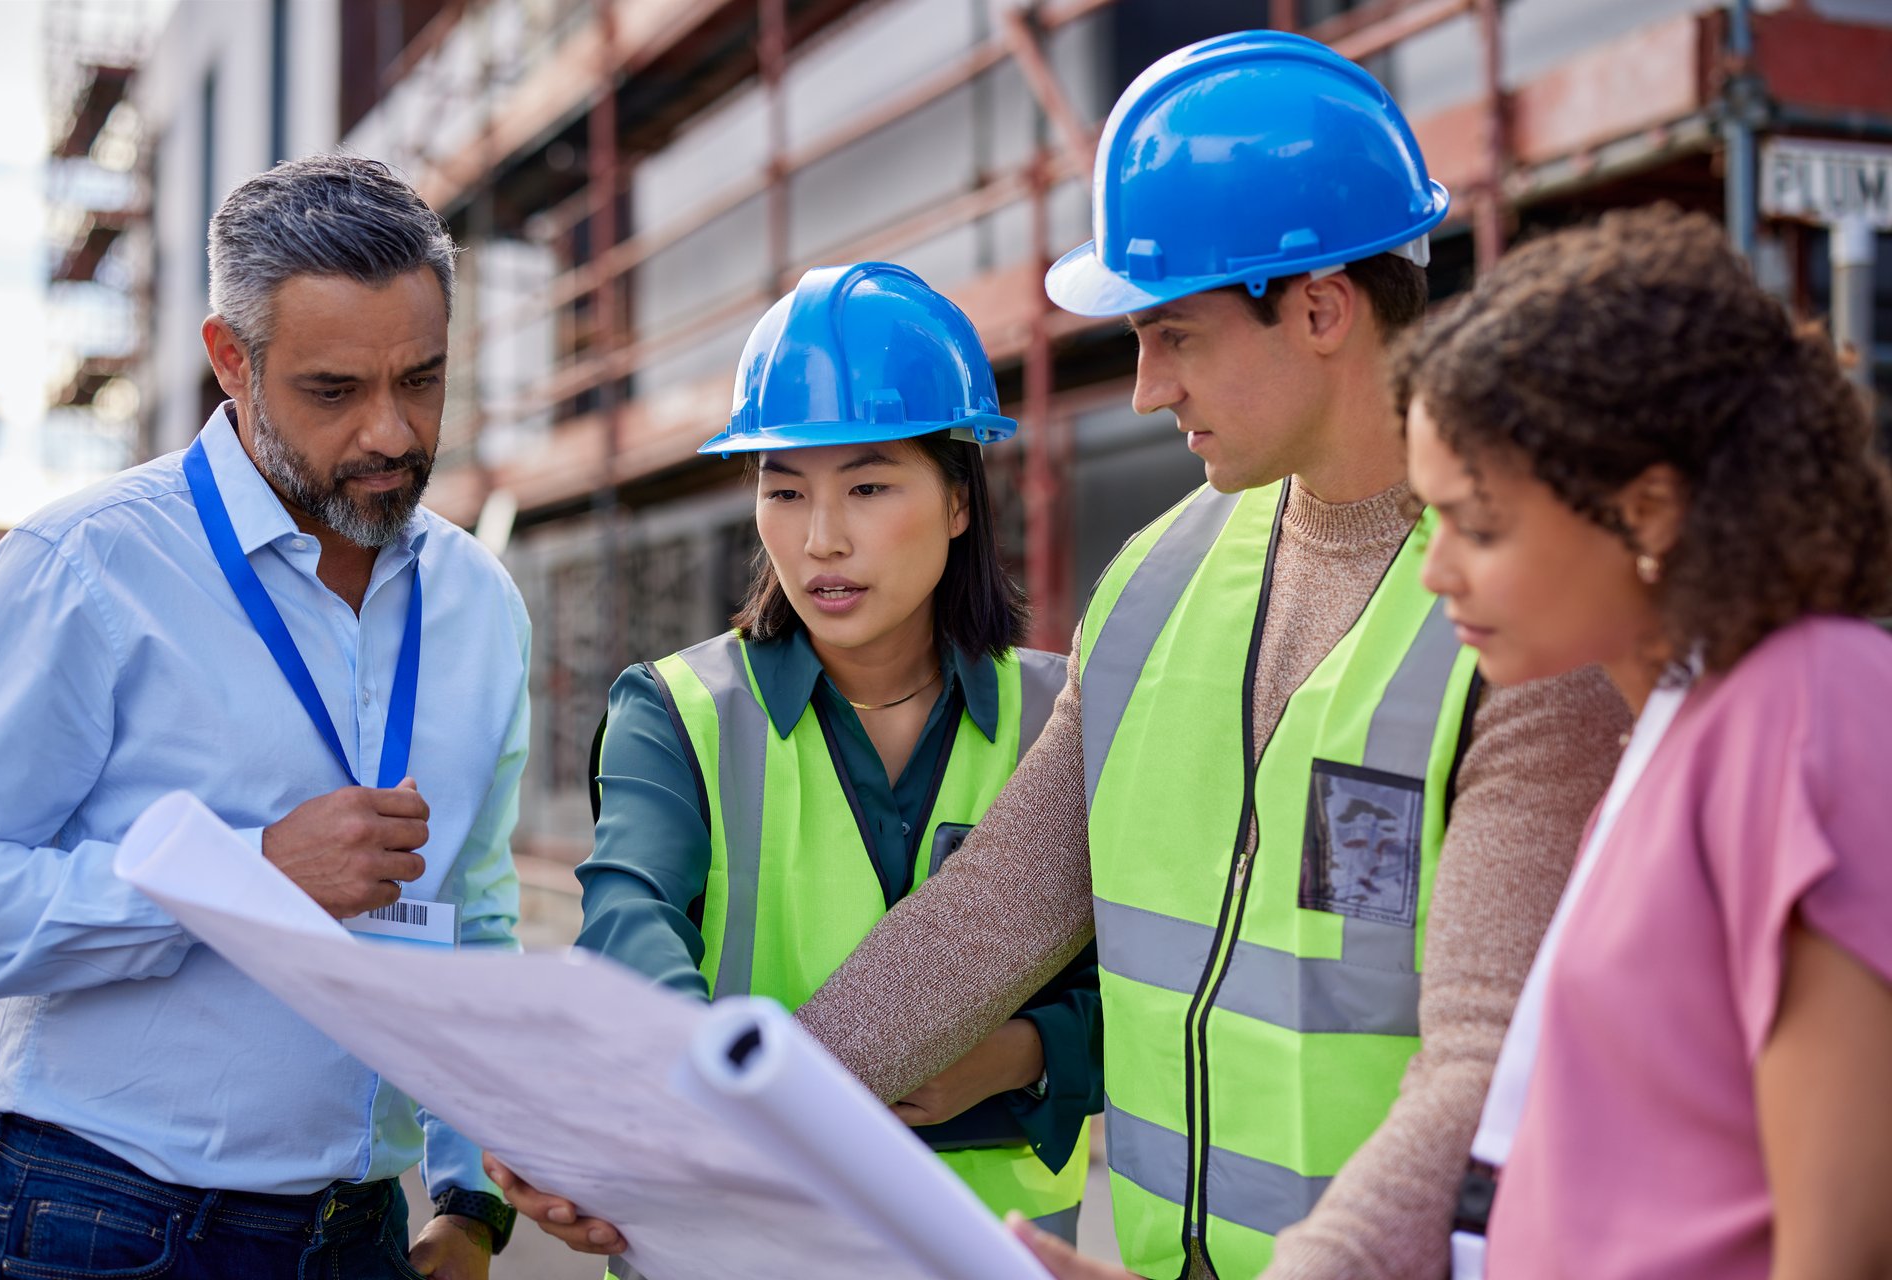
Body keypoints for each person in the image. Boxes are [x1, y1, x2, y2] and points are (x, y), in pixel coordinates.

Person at [520, 31, 1628, 1279]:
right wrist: (677, 1143)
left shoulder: (1527, 620)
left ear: (1320, 307)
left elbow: (1483, 1065)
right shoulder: (1155, 585)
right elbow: (984, 920)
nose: (1146, 386)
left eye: (1176, 335)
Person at [0, 155, 527, 1278]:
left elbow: (475, 909)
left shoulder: (480, 602)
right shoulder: (84, 569)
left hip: (367, 1232)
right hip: (106, 1222)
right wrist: (246, 875)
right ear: (232, 360)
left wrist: (473, 1196)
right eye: (334, 390)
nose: (390, 431)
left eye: (422, 379)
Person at [487, 262, 1100, 1259]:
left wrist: (1016, 1055)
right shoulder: (677, 713)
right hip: (733, 1246)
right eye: (784, 490)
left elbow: (1162, 987)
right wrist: (716, 1099)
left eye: (867, 485)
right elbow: (627, 931)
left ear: (957, 499)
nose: (820, 539)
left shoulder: (1060, 714)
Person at [1398, 206, 1892, 1280]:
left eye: (1476, 524)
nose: (1436, 570)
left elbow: (1840, 1248)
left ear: (1651, 510)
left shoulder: (1804, 708)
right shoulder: (1687, 725)